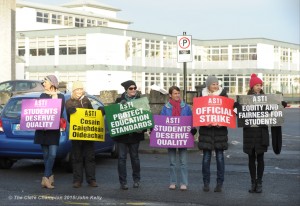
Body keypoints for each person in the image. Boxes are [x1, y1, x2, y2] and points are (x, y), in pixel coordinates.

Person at [160, 86, 197, 191]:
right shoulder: (165, 108)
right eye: (175, 93)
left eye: (178, 93)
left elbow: (191, 120)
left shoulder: (185, 107)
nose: (177, 95)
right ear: (170, 95)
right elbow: (161, 121)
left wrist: (193, 129)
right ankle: (172, 182)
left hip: (183, 137)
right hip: (170, 137)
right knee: (172, 162)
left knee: (183, 162)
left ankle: (184, 183)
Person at [65, 81, 100, 188]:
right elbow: (70, 118)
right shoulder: (69, 102)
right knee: (77, 158)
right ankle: (77, 181)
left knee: (90, 157)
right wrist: (70, 112)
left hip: (88, 134)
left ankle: (91, 180)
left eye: (80, 89)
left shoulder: (86, 101)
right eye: (77, 89)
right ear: (73, 91)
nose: (79, 91)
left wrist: (100, 111)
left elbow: (92, 115)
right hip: (77, 134)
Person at [198, 75, 229, 192]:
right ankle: (206, 183)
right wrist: (206, 122)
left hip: (220, 132)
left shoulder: (223, 95)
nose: (216, 86)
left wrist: (221, 122)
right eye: (213, 84)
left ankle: (219, 183)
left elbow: (227, 112)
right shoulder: (202, 95)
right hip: (206, 132)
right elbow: (199, 112)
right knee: (206, 158)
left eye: (217, 84)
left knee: (220, 158)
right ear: (208, 86)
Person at [34, 75, 65, 189]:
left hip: (53, 130)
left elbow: (58, 111)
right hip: (43, 129)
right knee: (46, 155)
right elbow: (41, 110)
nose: (43, 84)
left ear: (52, 83)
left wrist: (54, 96)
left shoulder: (61, 96)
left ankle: (45, 178)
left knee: (52, 154)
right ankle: (50, 176)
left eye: (45, 82)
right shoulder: (42, 95)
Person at [114, 80, 145, 190]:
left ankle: (136, 180)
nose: (133, 90)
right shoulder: (119, 100)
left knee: (135, 158)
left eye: (134, 88)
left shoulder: (140, 101)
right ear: (126, 90)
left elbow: (145, 117)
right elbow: (113, 115)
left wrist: (143, 128)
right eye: (131, 88)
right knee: (121, 158)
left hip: (135, 135)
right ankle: (123, 182)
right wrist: (118, 106)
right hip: (122, 136)